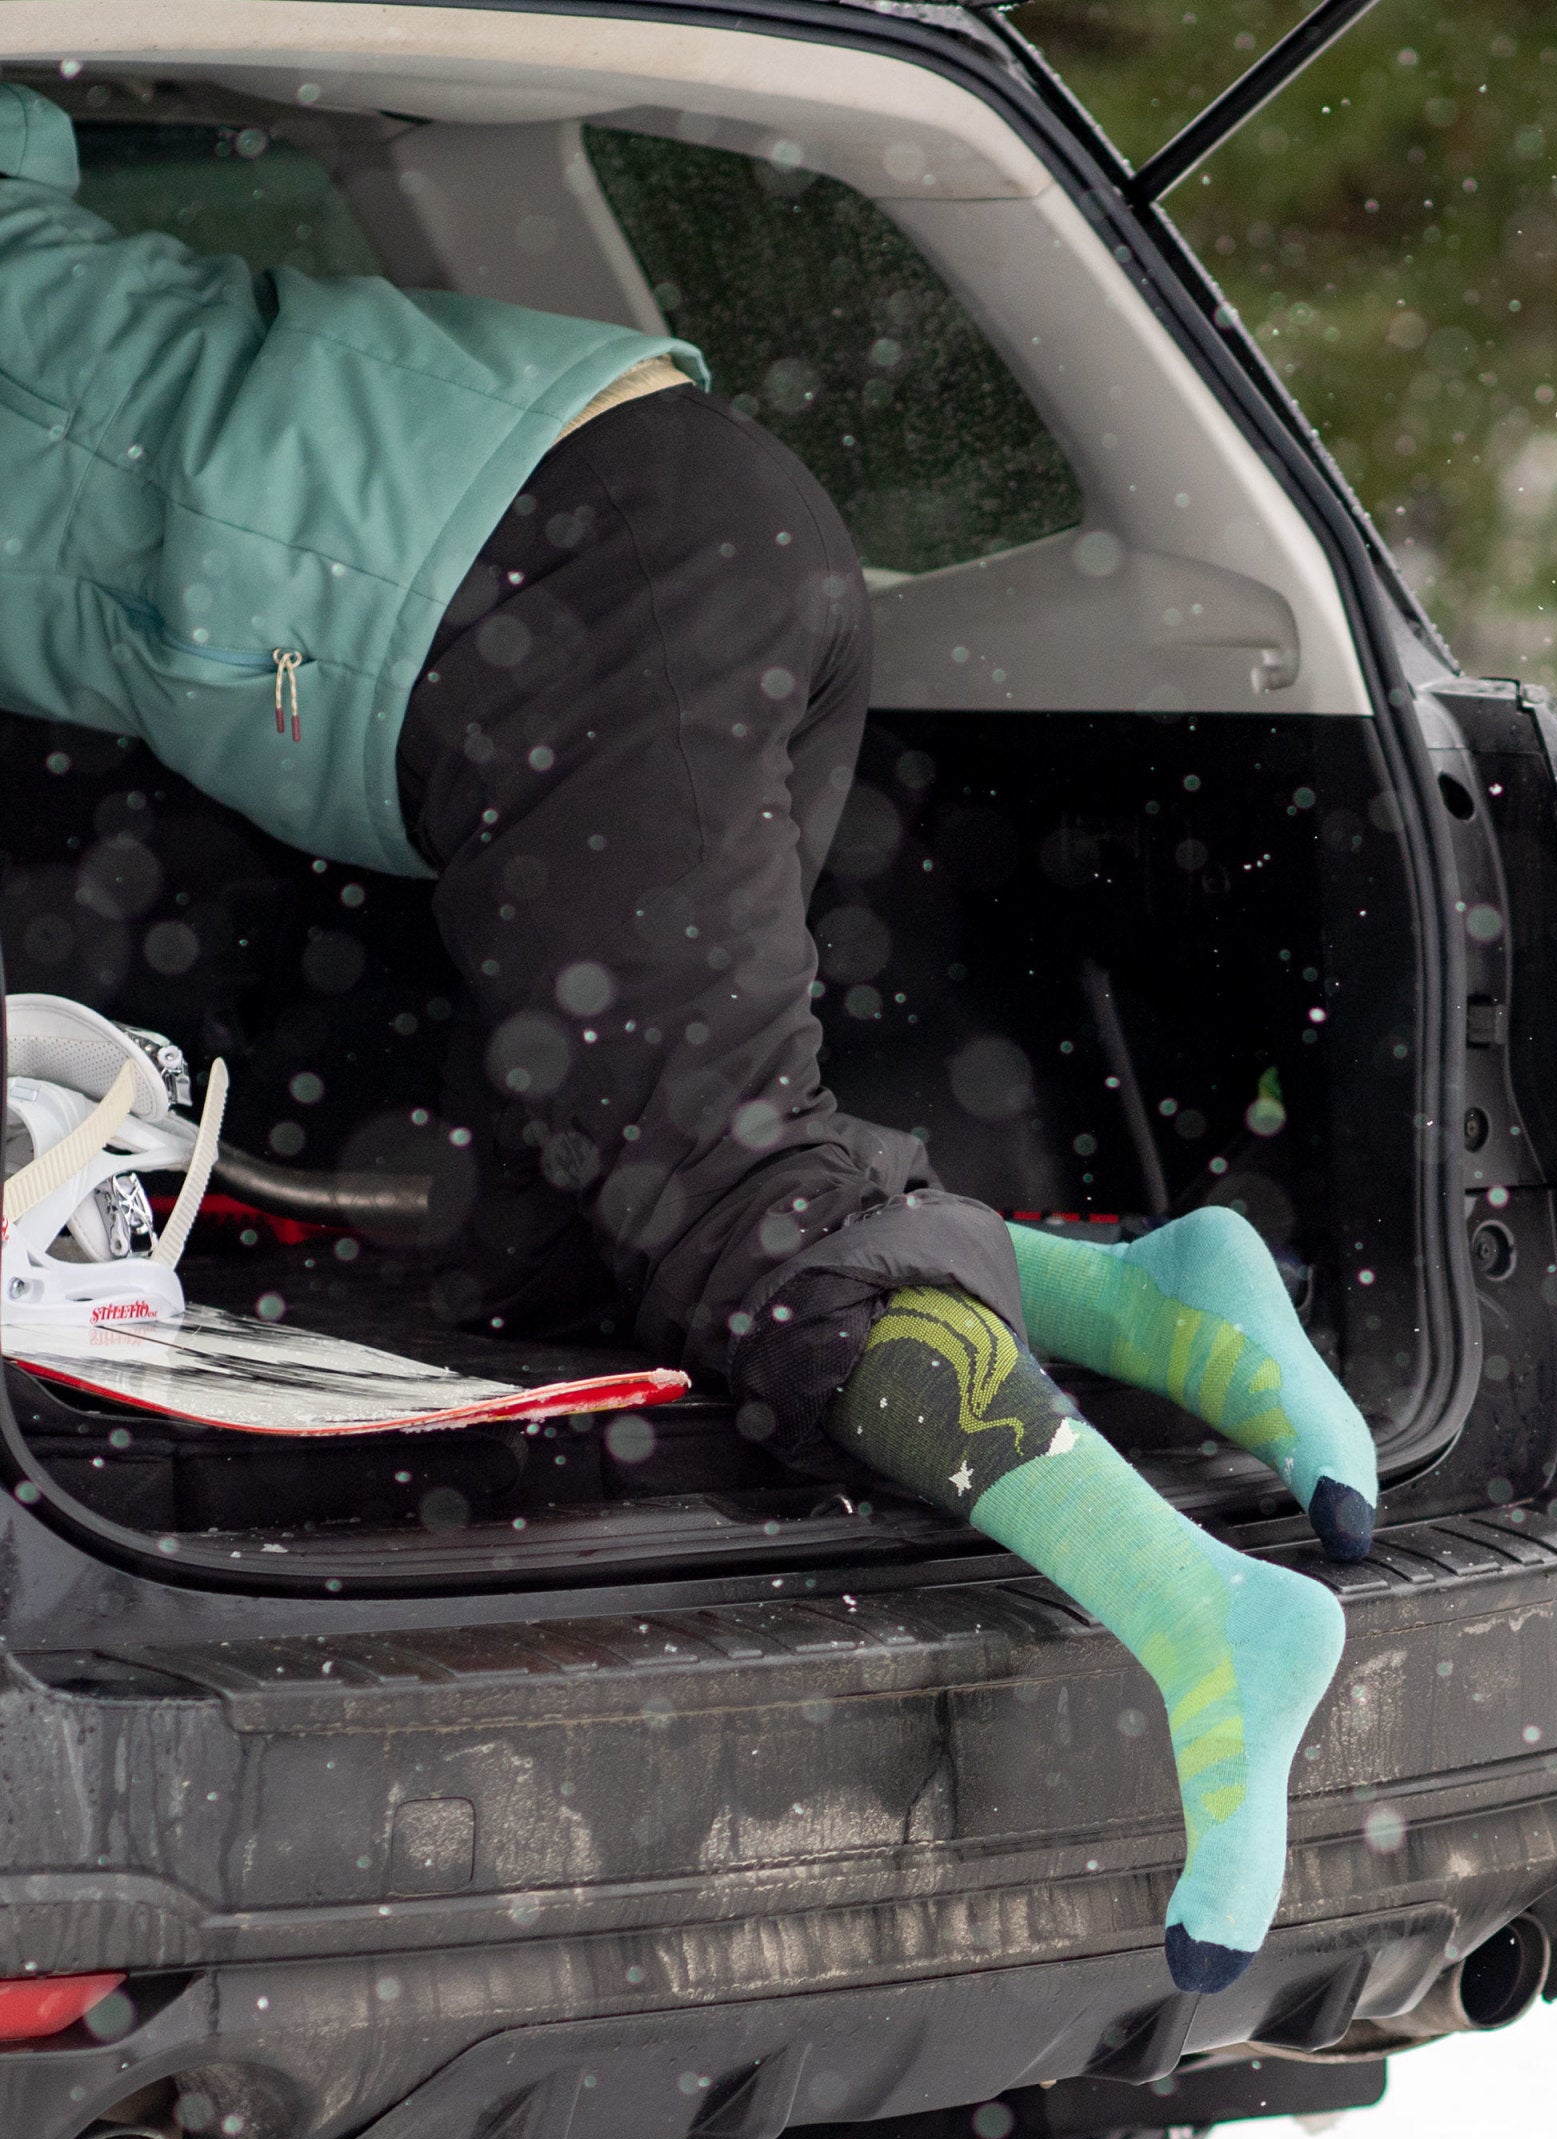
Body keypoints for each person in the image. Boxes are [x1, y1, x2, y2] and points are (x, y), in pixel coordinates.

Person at [0, 81, 1380, 1991]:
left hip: (569, 590)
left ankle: (1212, 1619)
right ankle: (1150, 1301)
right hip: (653, 524)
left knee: (736, 1219)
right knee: (602, 1216)